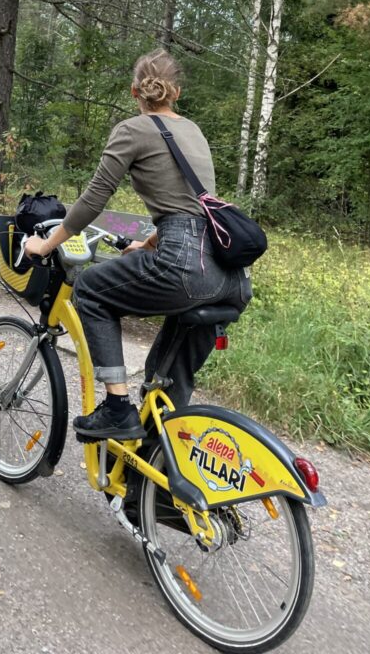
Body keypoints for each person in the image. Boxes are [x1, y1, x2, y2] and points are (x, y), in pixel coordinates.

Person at [23, 49, 250, 440]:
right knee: (165, 386)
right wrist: (151, 242)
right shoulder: (194, 131)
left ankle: (115, 408)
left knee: (92, 289)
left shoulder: (132, 130)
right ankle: (159, 477)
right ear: (175, 92)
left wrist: (45, 246)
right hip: (230, 275)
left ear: (135, 92)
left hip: (184, 266)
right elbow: (198, 207)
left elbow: (93, 201)